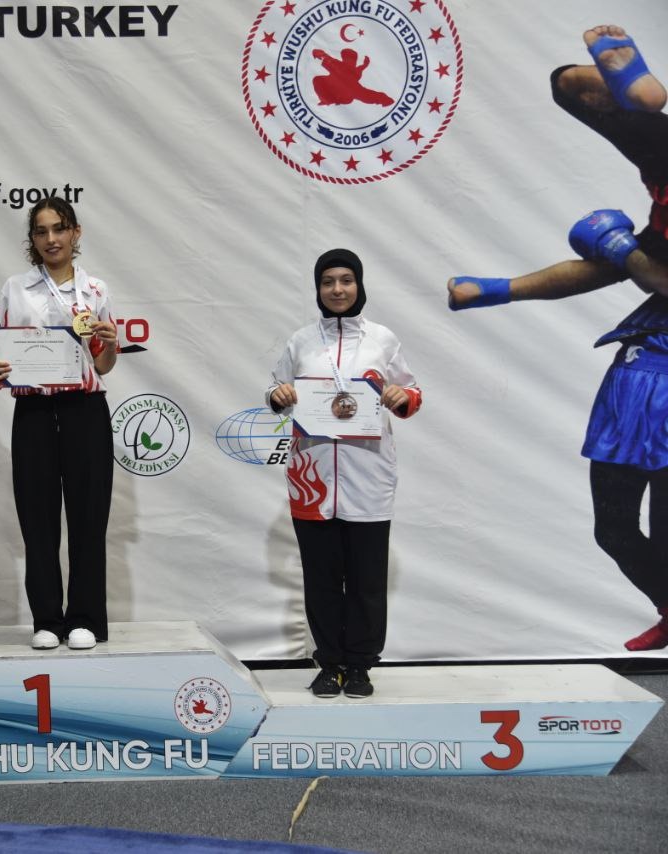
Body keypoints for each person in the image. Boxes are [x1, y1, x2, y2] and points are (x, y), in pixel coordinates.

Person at [446, 25, 668, 651]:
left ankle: (639, 91)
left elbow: (642, 273)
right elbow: (601, 271)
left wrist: (624, 252)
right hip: (637, 384)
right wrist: (498, 290)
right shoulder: (658, 219)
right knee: (614, 528)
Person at [267, 249, 422, 698]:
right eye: (328, 281)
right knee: (320, 578)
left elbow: (411, 391)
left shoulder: (382, 340)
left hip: (368, 475)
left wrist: (401, 397)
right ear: (318, 288)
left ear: (359, 285)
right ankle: (330, 663)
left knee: (366, 579)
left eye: (346, 280)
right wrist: (279, 395)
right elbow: (276, 389)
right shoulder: (301, 341)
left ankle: (360, 665)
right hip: (312, 479)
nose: (337, 289)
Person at [0, 198, 119, 651]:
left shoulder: (95, 289)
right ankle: (46, 619)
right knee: (37, 518)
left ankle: (85, 618)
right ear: (32, 239)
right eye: (41, 231)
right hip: (34, 413)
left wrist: (109, 344)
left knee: (88, 519)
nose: (51, 239)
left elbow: (104, 365)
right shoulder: (15, 288)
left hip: (85, 410)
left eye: (59, 229)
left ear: (75, 232)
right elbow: (2, 354)